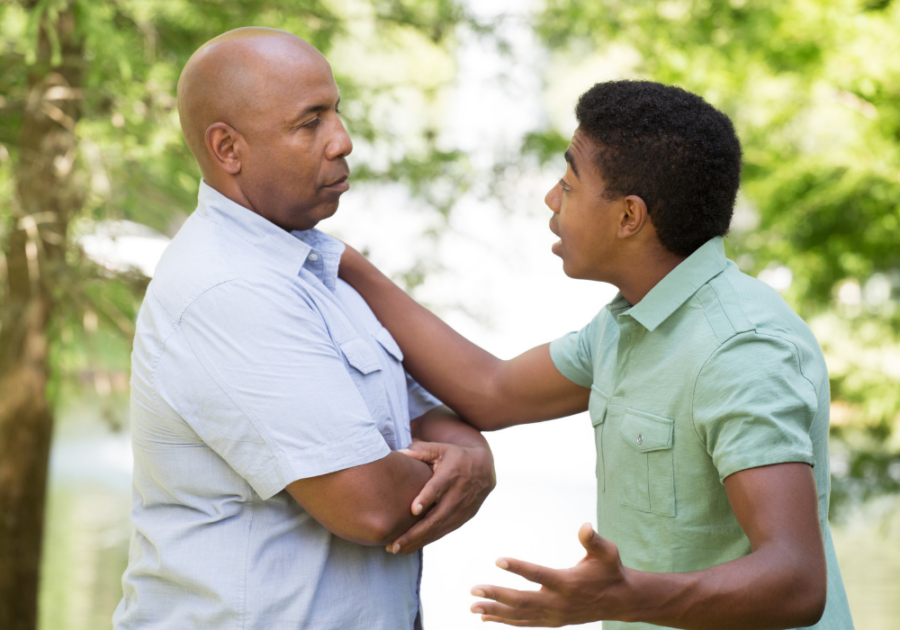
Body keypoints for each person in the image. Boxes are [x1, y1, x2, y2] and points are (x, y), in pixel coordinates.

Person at [337, 80, 854, 629]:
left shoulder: (742, 349)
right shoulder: (627, 321)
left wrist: (625, 597)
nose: (550, 199)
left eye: (568, 183)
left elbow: (795, 580)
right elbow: (491, 391)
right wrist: (343, 264)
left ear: (629, 217)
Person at [113, 28, 495, 630]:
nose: (342, 141)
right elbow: (371, 504)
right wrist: (466, 467)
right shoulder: (231, 289)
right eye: (309, 122)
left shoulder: (310, 264)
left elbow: (423, 416)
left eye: (336, 111)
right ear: (227, 149)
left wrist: (471, 455)